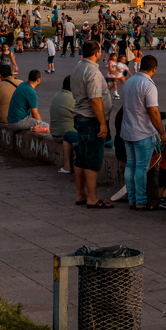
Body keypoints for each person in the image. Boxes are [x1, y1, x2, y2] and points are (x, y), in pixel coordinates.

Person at [120, 55, 165, 210]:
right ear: (154, 68)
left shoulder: (128, 83)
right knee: (141, 167)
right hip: (143, 133)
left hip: (127, 131)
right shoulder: (148, 85)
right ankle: (140, 201)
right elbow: (153, 113)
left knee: (130, 165)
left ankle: (132, 199)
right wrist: (162, 133)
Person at [70, 40, 111, 208]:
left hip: (80, 116)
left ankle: (81, 194)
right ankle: (92, 197)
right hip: (91, 120)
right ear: (96, 53)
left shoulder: (78, 67)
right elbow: (95, 100)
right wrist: (102, 123)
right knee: (92, 159)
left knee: (81, 158)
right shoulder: (92, 72)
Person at [50, 76, 78, 174]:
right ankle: (68, 167)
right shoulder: (72, 98)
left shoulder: (56, 95)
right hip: (64, 134)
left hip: (54, 132)